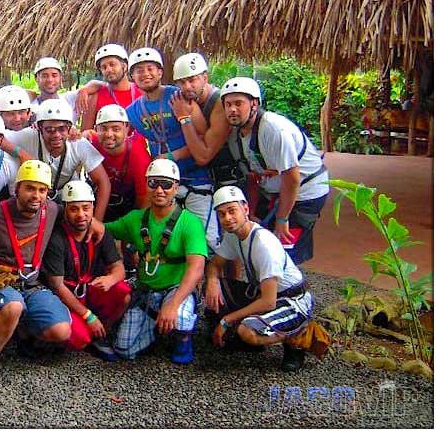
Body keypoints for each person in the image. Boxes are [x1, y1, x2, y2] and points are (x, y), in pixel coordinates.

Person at [0, 160, 72, 395]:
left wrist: (97, 225)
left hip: (32, 284)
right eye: (29, 188)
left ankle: (19, 332)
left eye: (42, 190)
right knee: (13, 306)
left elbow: (80, 216)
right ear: (17, 188)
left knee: (61, 332)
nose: (36, 195)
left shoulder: (53, 210)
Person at [105, 159, 207, 364]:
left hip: (176, 289)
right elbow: (103, 229)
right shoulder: (135, 218)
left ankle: (183, 337)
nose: (159, 190)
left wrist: (173, 304)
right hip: (147, 290)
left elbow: (196, 267)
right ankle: (153, 330)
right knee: (124, 348)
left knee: (178, 315)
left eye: (166, 184)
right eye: (153, 183)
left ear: (176, 188)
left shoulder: (189, 222)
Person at [221, 77, 329, 264]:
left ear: (254, 104)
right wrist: (251, 212)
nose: (232, 109)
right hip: (275, 190)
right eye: (228, 104)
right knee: (260, 244)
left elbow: (292, 179)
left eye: (239, 103)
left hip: (305, 192)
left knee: (284, 252)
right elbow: (252, 178)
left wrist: (282, 219)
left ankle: (292, 290)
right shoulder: (236, 137)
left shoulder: (273, 130)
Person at [205, 185, 313, 371]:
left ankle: (297, 338)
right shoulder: (234, 235)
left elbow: (268, 302)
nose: (228, 218)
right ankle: (250, 337)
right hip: (263, 293)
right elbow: (215, 265)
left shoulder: (264, 244)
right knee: (215, 290)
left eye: (232, 211)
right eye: (222, 214)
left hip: (291, 300)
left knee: (246, 331)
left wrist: (227, 320)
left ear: (245, 209)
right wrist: (212, 282)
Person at [124, 47, 220, 252]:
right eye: (139, 70)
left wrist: (169, 156)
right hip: (164, 184)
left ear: (160, 72)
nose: (146, 74)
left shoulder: (178, 96)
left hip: (196, 178)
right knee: (167, 240)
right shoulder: (132, 111)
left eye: (150, 68)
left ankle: (216, 282)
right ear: (131, 76)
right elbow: (115, 133)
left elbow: (203, 135)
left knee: (207, 240)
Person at [41, 180, 131, 360]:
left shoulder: (100, 232)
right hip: (66, 295)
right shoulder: (57, 238)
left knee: (123, 293)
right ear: (64, 210)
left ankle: (101, 331)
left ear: (93, 208)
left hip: (89, 288)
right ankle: (40, 338)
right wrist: (88, 316)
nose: (81, 214)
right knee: (80, 339)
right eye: (74, 209)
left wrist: (111, 279)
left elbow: (118, 268)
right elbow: (57, 286)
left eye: (86, 208)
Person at [3, 99, 111, 220]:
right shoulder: (29, 136)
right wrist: (20, 153)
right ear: (39, 127)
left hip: (65, 193)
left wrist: (96, 221)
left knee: (80, 191)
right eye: (50, 130)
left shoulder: (78, 143)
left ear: (70, 127)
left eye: (62, 129)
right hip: (36, 194)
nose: (57, 135)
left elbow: (103, 182)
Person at [170, 52, 244, 190]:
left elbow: (203, 157)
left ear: (205, 78)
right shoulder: (184, 101)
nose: (187, 86)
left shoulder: (220, 104)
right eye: (182, 82)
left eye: (192, 80)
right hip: (206, 179)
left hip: (231, 179)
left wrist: (184, 118)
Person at [89, 104, 150, 221]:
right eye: (103, 128)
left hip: (128, 206)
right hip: (99, 201)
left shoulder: (139, 156)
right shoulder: (91, 143)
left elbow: (143, 201)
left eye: (116, 129)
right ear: (96, 129)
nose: (109, 134)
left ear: (126, 129)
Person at [81, 43, 143, 131]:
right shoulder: (96, 96)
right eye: (104, 67)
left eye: (112, 64)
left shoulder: (141, 92)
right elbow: (85, 135)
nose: (108, 70)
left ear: (124, 66)